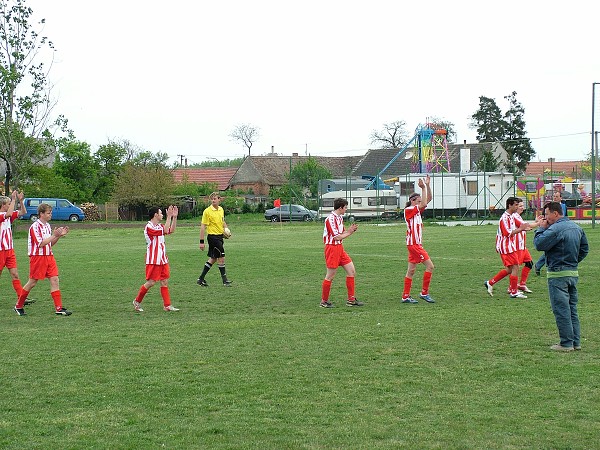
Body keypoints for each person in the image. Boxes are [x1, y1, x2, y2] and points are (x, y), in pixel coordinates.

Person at [534, 201, 588, 351]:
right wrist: (573, 262)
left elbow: (539, 244)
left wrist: (540, 229)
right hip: (572, 273)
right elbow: (584, 249)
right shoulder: (576, 227)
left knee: (561, 309)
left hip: (557, 274)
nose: (545, 218)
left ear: (555, 213)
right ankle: (576, 342)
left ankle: (566, 343)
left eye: (546, 214)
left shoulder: (556, 229)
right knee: (572, 309)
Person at [14, 203, 72, 316]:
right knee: (32, 282)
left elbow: (50, 244)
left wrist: (58, 236)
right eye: (48, 213)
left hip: (49, 256)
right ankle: (18, 306)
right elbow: (40, 244)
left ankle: (59, 308)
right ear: (41, 214)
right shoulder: (35, 227)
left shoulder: (47, 225)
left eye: (51, 212)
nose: (50, 214)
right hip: (38, 257)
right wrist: (54, 235)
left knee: (55, 280)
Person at [133, 205, 180, 312]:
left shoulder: (159, 226)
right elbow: (164, 230)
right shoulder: (149, 227)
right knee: (151, 282)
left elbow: (170, 230)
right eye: (161, 213)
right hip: (153, 260)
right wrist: (169, 217)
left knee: (164, 281)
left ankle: (167, 305)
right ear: (155, 215)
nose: (162, 214)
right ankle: (137, 301)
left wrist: (174, 217)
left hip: (163, 259)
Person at [320, 197, 363, 308]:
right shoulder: (330, 219)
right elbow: (337, 237)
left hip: (340, 248)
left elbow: (342, 233)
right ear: (340, 207)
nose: (346, 210)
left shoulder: (339, 218)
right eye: (345, 207)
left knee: (351, 271)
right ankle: (324, 301)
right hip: (332, 248)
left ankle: (351, 299)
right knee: (330, 275)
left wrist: (350, 231)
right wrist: (349, 232)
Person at [484, 197, 529, 299]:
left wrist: (525, 227)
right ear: (510, 205)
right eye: (516, 205)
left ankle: (490, 283)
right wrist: (521, 229)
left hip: (510, 245)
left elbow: (521, 227)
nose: (517, 207)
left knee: (509, 269)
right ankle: (513, 291)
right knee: (516, 267)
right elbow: (507, 233)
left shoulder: (511, 216)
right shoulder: (504, 218)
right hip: (505, 246)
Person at [401, 175, 435, 304]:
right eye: (419, 201)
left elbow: (428, 199)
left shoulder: (416, 211)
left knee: (411, 270)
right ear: (413, 201)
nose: (421, 203)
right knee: (430, 266)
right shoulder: (409, 210)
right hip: (414, 244)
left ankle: (405, 296)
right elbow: (425, 203)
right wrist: (423, 187)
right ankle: (424, 293)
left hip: (414, 244)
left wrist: (427, 186)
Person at [0, 191, 30, 305]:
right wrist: (13, 199)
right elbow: (8, 214)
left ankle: (21, 297)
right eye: (8, 204)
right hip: (0, 251)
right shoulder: (2, 215)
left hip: (9, 250)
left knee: (15, 274)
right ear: (3, 205)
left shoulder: (8, 216)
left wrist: (21, 201)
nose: (9, 206)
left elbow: (23, 212)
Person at [197, 192, 232, 287]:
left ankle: (200, 279)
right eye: (212, 199)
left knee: (213, 259)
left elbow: (222, 221)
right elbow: (203, 227)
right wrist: (201, 242)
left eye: (215, 198)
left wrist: (227, 230)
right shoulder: (207, 211)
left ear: (219, 199)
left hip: (220, 237)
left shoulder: (221, 209)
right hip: (213, 238)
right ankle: (225, 281)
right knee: (222, 257)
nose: (213, 200)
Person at [534, 191, 567, 275]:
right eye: (554, 196)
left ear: (561, 198)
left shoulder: (563, 206)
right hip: (552, 230)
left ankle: (539, 265)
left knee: (554, 249)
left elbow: (564, 216)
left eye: (556, 196)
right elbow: (545, 217)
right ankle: (538, 265)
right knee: (550, 249)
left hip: (561, 229)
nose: (555, 198)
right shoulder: (549, 207)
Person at [512, 199, 539, 294]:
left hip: (522, 246)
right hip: (517, 247)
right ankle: (511, 287)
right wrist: (538, 223)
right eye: (520, 206)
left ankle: (522, 284)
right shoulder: (514, 216)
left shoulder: (518, 216)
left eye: (523, 206)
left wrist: (535, 223)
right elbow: (526, 226)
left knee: (529, 263)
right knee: (515, 268)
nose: (522, 208)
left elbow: (527, 227)